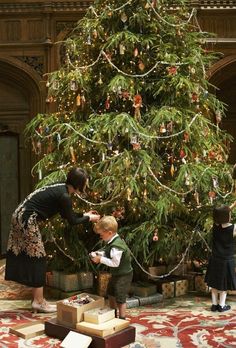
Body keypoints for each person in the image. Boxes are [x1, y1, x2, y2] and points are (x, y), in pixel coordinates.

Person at [5, 167, 100, 313]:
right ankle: (38, 302)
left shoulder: (61, 187)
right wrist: (90, 218)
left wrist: (84, 214)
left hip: (19, 216)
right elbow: (73, 221)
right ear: (79, 183)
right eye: (85, 182)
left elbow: (67, 214)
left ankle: (38, 299)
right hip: (26, 220)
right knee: (39, 258)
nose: (86, 185)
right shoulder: (65, 196)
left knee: (36, 257)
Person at [91, 216, 133, 319]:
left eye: (101, 234)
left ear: (109, 233)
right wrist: (98, 253)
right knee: (110, 292)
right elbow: (107, 251)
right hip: (116, 273)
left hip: (124, 274)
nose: (100, 237)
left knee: (120, 295)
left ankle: (122, 318)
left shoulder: (116, 246)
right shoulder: (112, 241)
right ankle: (112, 314)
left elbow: (115, 263)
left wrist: (100, 259)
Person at [205, 201, 236, 312]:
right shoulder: (234, 228)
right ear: (227, 216)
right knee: (224, 285)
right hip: (227, 260)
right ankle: (222, 305)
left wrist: (232, 205)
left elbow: (220, 214)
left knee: (214, 283)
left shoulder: (215, 226)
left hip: (215, 259)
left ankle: (214, 305)